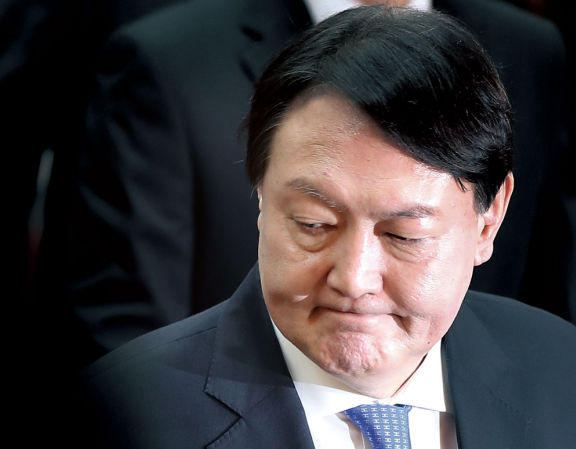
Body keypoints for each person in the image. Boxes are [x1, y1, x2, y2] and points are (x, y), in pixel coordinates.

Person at [74, 7, 576, 449]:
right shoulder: (125, 415)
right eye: (314, 224)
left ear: (489, 220)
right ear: (262, 196)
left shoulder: (560, 368)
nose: (354, 279)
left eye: (404, 236)